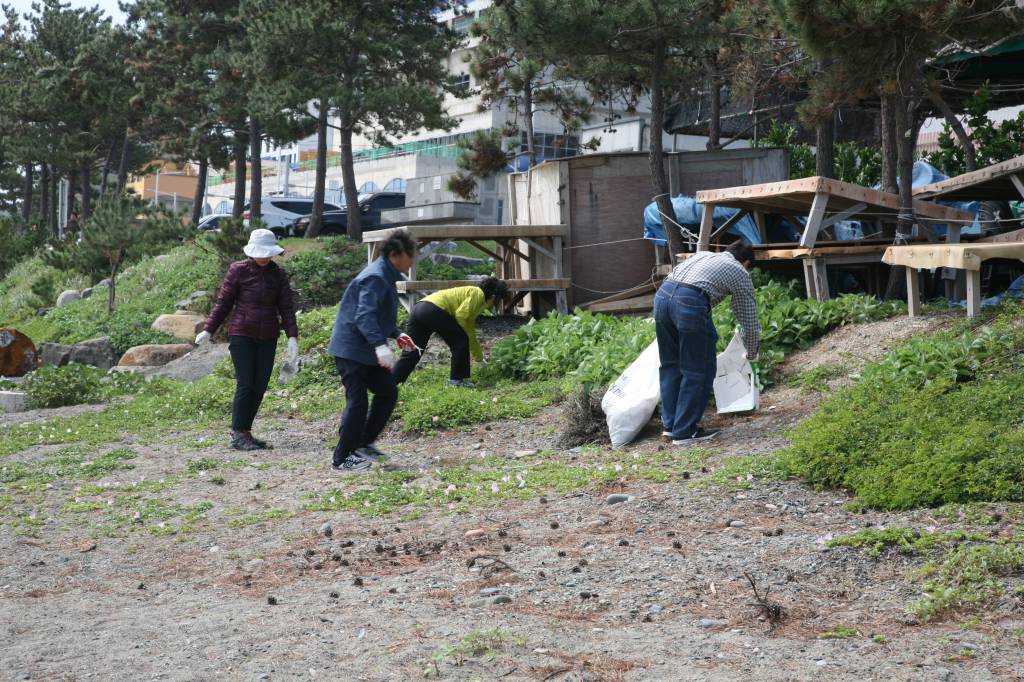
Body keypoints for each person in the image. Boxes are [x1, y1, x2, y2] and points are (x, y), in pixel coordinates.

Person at [196, 228, 298, 451]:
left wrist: (292, 337)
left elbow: (286, 308)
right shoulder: (238, 270)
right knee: (246, 383)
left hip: (269, 335)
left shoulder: (278, 274)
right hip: (242, 333)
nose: (264, 257)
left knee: (260, 386)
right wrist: (209, 330)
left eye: (267, 253)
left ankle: (245, 432)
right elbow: (223, 303)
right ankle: (237, 433)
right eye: (260, 253)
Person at [327, 229, 418, 471]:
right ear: (397, 254)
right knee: (357, 402)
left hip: (365, 348)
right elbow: (364, 315)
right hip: (352, 348)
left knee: (387, 392)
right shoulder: (376, 276)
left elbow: (378, 314)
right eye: (411, 255)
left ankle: (362, 443)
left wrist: (397, 334)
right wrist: (380, 346)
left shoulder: (386, 273)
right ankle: (342, 457)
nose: (413, 260)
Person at [655, 239, 760, 445]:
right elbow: (748, 318)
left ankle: (670, 426)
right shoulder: (739, 272)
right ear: (746, 263)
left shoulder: (703, 255)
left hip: (661, 297)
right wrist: (753, 351)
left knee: (670, 366)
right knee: (698, 369)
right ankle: (685, 432)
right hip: (689, 302)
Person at [393, 277, 509, 388]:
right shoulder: (477, 294)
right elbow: (461, 317)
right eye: (498, 300)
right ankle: (456, 381)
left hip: (419, 309)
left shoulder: (474, 299)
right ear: (493, 297)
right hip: (434, 309)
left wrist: (479, 359)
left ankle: (391, 382)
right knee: (460, 341)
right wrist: (465, 335)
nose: (496, 304)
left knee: (413, 350)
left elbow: (471, 334)